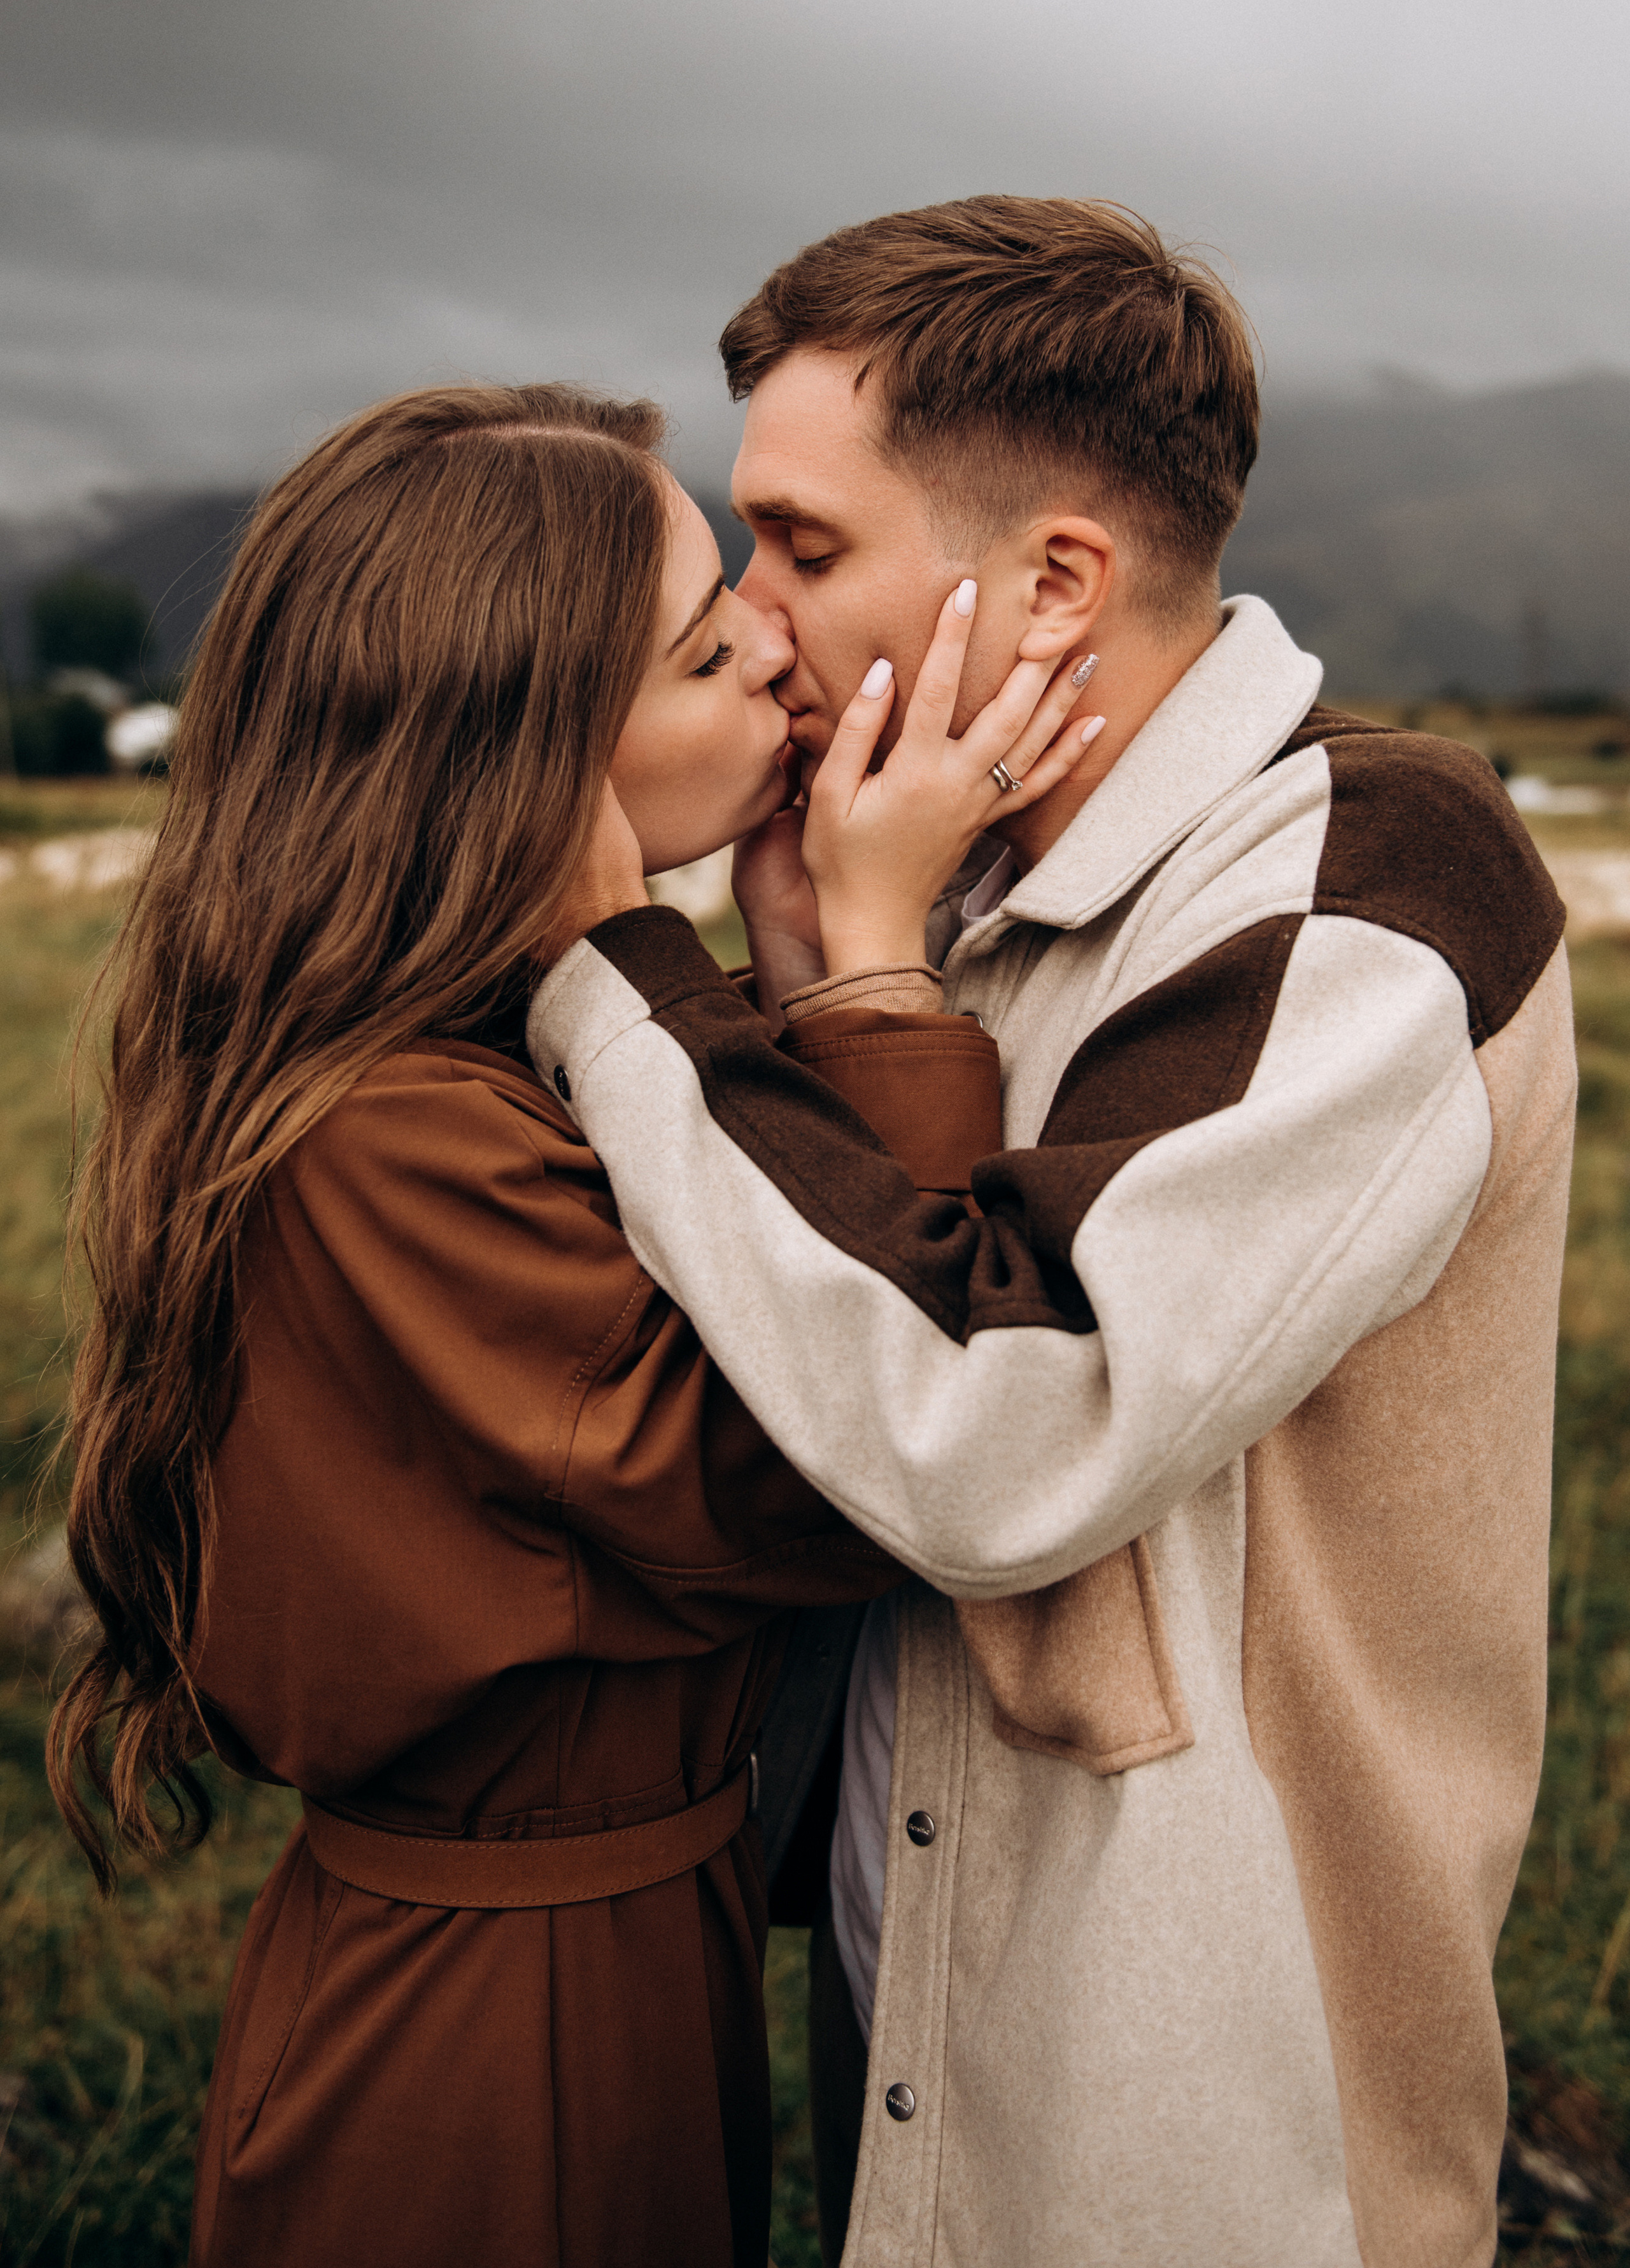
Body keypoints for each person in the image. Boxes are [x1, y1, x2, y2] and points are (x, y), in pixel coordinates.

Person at [531, 199, 1575, 2268]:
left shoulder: (1364, 881)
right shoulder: (939, 880)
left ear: (1059, 581)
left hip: (1218, 2129)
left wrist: (610, 960)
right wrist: (843, 980)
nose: (751, 618)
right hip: (923, 2036)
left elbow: (1008, 1421)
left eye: (804, 547)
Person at [45, 380, 1088, 2268]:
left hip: (608, 1945)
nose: (780, 647)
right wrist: (858, 974)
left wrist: (758, 973)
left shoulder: (480, 1062)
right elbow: (842, 1444)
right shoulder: (387, 1130)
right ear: (534, 771)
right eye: (708, 647)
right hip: (491, 2019)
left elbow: (768, 1279)